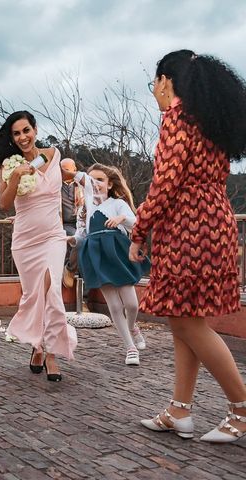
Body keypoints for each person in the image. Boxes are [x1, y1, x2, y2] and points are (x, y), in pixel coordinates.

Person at [130, 50, 246, 443]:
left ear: (166, 81)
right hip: (214, 221)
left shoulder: (177, 119)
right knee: (185, 317)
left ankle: (242, 407)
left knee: (185, 320)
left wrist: (137, 230)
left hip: (187, 227)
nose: (155, 93)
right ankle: (180, 410)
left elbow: (164, 184)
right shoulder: (208, 121)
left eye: (154, 85)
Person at [0, 111, 77, 382]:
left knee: (52, 292)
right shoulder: (8, 164)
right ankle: (37, 346)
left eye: (27, 130)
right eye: (17, 133)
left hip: (52, 237)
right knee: (34, 297)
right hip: (25, 241)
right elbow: (3, 204)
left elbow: (60, 195)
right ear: (12, 138)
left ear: (35, 129)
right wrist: (16, 177)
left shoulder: (53, 155)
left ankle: (50, 354)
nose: (23, 137)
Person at [71, 163, 150, 366]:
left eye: (100, 180)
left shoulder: (117, 203)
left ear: (109, 184)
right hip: (96, 256)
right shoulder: (85, 208)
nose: (95, 184)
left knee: (131, 304)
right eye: (91, 180)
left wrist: (121, 218)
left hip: (117, 254)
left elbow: (135, 223)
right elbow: (81, 236)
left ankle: (133, 327)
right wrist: (68, 240)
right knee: (114, 305)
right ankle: (130, 347)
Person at [60, 158, 83, 288]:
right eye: (63, 170)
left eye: (68, 170)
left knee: (87, 250)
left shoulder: (81, 184)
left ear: (75, 170)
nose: (66, 173)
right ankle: (70, 268)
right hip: (65, 224)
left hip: (81, 222)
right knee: (79, 240)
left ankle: (85, 298)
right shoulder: (56, 185)